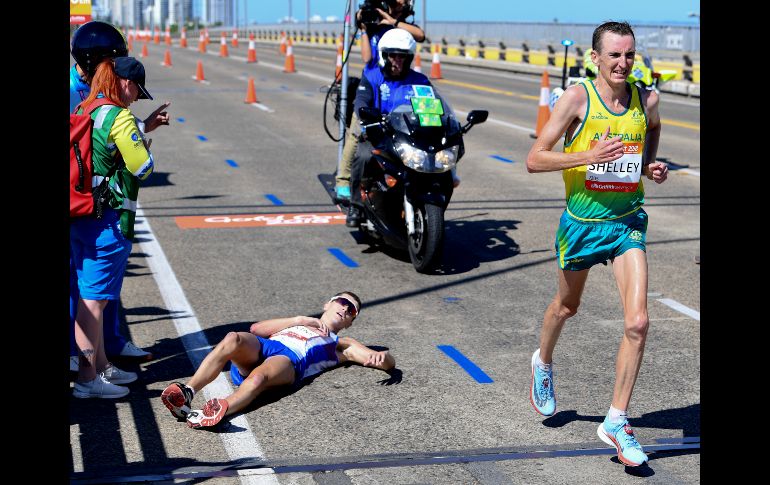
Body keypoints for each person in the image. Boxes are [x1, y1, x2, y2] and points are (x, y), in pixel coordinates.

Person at [524, 21, 668, 467]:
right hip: (583, 223)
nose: (623, 63)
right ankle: (543, 362)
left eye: (629, 55)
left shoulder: (647, 98)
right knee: (567, 307)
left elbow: (652, 131)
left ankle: (616, 420)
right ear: (596, 58)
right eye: (614, 56)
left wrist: (648, 166)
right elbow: (534, 159)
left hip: (627, 222)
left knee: (638, 323)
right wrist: (588, 155)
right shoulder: (575, 98)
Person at [70, 21, 171, 372]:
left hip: (82, 213)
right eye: (135, 90)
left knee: (88, 294)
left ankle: (98, 364)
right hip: (105, 218)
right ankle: (88, 374)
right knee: (92, 300)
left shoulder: (86, 106)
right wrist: (142, 143)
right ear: (124, 82)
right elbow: (142, 167)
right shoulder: (114, 113)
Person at [161, 291, 396, 428]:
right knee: (233, 338)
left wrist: (385, 359)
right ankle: (188, 392)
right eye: (342, 302)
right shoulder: (302, 321)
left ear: (350, 321)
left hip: (290, 361)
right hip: (267, 346)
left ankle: (215, 412)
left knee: (259, 376)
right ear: (329, 304)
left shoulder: (340, 343)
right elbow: (257, 329)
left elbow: (379, 360)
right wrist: (300, 319)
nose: (345, 309)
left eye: (351, 311)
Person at [335, 0, 425, 201]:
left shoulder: (403, 26)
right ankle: (343, 180)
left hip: (398, 81)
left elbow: (421, 36)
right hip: (374, 81)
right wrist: (365, 26)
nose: (402, 2)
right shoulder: (373, 24)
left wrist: (392, 22)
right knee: (357, 130)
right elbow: (367, 59)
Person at [345, 28, 433, 226]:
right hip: (379, 135)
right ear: (384, 56)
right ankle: (356, 206)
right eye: (393, 56)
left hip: (410, 137)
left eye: (403, 57)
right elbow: (361, 101)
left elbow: (434, 107)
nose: (397, 61)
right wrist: (366, 115)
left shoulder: (420, 81)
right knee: (364, 156)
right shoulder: (373, 76)